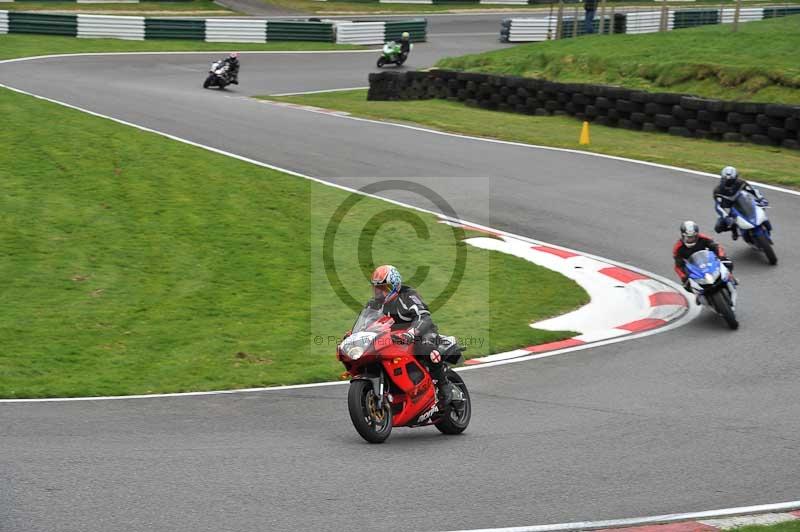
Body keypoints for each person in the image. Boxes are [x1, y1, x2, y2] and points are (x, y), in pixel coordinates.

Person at [368, 264, 462, 406]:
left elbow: (424, 317)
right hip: (395, 338)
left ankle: (444, 386)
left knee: (424, 348)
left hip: (421, 332)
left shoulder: (408, 295)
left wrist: (412, 332)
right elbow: (367, 323)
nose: (380, 292)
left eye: (384, 288)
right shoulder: (375, 304)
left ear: (395, 285)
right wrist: (354, 334)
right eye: (377, 288)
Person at [673, 221, 735, 297]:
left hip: (707, 261)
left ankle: (730, 278)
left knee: (728, 263)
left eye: (693, 237)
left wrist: (721, 256)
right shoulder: (678, 248)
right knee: (686, 285)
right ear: (683, 236)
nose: (691, 239)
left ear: (697, 235)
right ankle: (699, 296)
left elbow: (717, 247)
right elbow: (678, 266)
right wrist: (683, 277)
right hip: (694, 268)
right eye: (688, 237)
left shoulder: (703, 238)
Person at [713, 166, 769, 240]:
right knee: (718, 227)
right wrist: (726, 217)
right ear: (722, 178)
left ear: (736, 178)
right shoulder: (718, 191)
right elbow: (718, 207)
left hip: (743, 201)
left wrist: (761, 198)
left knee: (761, 207)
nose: (728, 183)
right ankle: (734, 230)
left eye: (731, 181)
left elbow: (753, 190)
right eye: (726, 180)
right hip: (729, 208)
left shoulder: (740, 182)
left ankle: (765, 224)